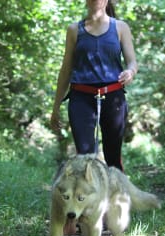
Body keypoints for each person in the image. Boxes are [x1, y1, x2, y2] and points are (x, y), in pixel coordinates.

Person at [50, 0, 138, 171]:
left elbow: (132, 62)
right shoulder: (74, 30)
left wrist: (130, 72)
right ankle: (90, 196)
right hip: (81, 98)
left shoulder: (120, 27)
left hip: (113, 99)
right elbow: (66, 70)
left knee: (113, 155)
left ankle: (117, 195)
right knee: (85, 156)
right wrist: (55, 107)